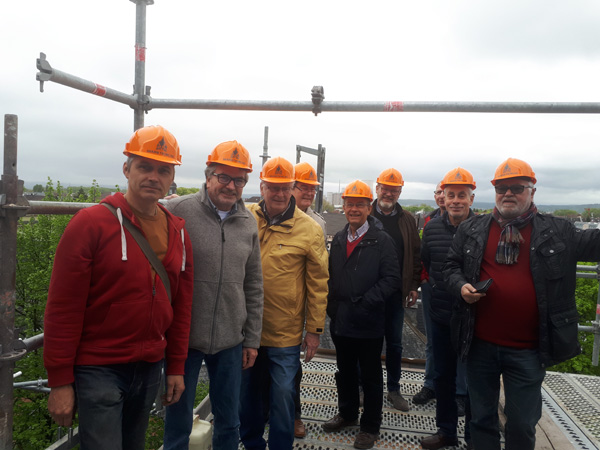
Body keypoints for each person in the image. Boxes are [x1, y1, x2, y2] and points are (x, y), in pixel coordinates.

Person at [44, 125, 194, 450]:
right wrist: (59, 382)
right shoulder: (90, 224)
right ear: (126, 169)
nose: (153, 176)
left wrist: (176, 367)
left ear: (172, 178)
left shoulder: (178, 232)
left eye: (163, 170)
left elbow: (181, 306)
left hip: (151, 365)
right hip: (99, 368)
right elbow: (62, 308)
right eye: (144, 167)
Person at [444, 157, 600, 450]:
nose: (508, 194)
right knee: (480, 418)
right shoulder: (473, 228)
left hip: (528, 350)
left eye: (517, 187)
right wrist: (460, 286)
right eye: (501, 188)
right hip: (479, 344)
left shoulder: (558, 231)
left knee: (522, 423)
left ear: (532, 192)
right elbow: (450, 266)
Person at [163, 140, 264, 450]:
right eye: (223, 177)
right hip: (185, 340)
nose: (231, 186)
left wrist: (252, 339)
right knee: (178, 420)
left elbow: (254, 284)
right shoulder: (178, 210)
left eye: (239, 179)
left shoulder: (248, 223)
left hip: (230, 341)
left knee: (229, 420)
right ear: (208, 177)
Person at [240, 156, 329, 450]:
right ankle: (252, 443)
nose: (278, 194)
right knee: (249, 394)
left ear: (292, 188)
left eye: (284, 188)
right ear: (262, 186)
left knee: (282, 394)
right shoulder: (244, 216)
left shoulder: (309, 229)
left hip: (284, 332)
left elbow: (318, 283)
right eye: (272, 187)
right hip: (246, 328)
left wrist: (314, 330)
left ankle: (281, 445)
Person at [322, 180, 402, 450]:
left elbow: (391, 279)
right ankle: (346, 413)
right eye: (349, 204)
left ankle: (370, 426)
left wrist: (367, 302)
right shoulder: (342, 237)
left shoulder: (381, 240)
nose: (353, 209)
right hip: (342, 319)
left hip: (368, 320)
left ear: (370, 207)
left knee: (370, 375)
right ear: (343, 206)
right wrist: (333, 307)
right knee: (344, 372)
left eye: (360, 204)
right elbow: (333, 275)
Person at [420, 167, 475, 450]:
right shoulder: (431, 228)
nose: (455, 200)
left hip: (474, 318)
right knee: (443, 376)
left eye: (461, 195)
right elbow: (429, 265)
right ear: (443, 196)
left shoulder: (483, 229)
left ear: (471, 198)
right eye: (451, 194)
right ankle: (446, 432)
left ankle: (473, 438)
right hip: (442, 314)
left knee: (476, 379)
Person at [370, 168, 421, 411]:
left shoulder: (408, 220)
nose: (388, 193)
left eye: (394, 189)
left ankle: (393, 389)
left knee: (395, 344)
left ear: (400, 192)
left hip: (395, 293)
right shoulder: (364, 213)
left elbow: (415, 254)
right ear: (377, 188)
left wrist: (412, 285)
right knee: (367, 342)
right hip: (367, 293)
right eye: (385, 188)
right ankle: (364, 387)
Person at [290, 161, 327, 439]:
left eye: (312, 188)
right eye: (303, 186)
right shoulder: (259, 215)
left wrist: (313, 327)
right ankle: (263, 410)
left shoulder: (318, 223)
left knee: (291, 367)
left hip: (297, 308)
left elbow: (318, 276)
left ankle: (294, 416)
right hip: (265, 305)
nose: (308, 192)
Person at [413, 182, 446, 405]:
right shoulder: (429, 221)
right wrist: (423, 278)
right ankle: (430, 385)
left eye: (449, 193)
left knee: (459, 341)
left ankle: (457, 390)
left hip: (458, 290)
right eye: (440, 192)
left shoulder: (472, 222)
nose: (443, 197)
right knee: (432, 339)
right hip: (431, 286)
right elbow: (423, 254)